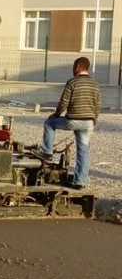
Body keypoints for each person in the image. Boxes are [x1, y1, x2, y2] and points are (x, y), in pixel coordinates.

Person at [38, 56, 101, 189]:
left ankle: (47, 153)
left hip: (73, 120)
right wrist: (93, 119)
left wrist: (56, 115)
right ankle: (79, 182)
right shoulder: (95, 84)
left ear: (77, 66)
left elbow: (64, 102)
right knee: (83, 151)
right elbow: (98, 105)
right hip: (88, 122)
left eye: (73, 66)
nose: (73, 69)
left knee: (49, 124)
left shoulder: (72, 82)